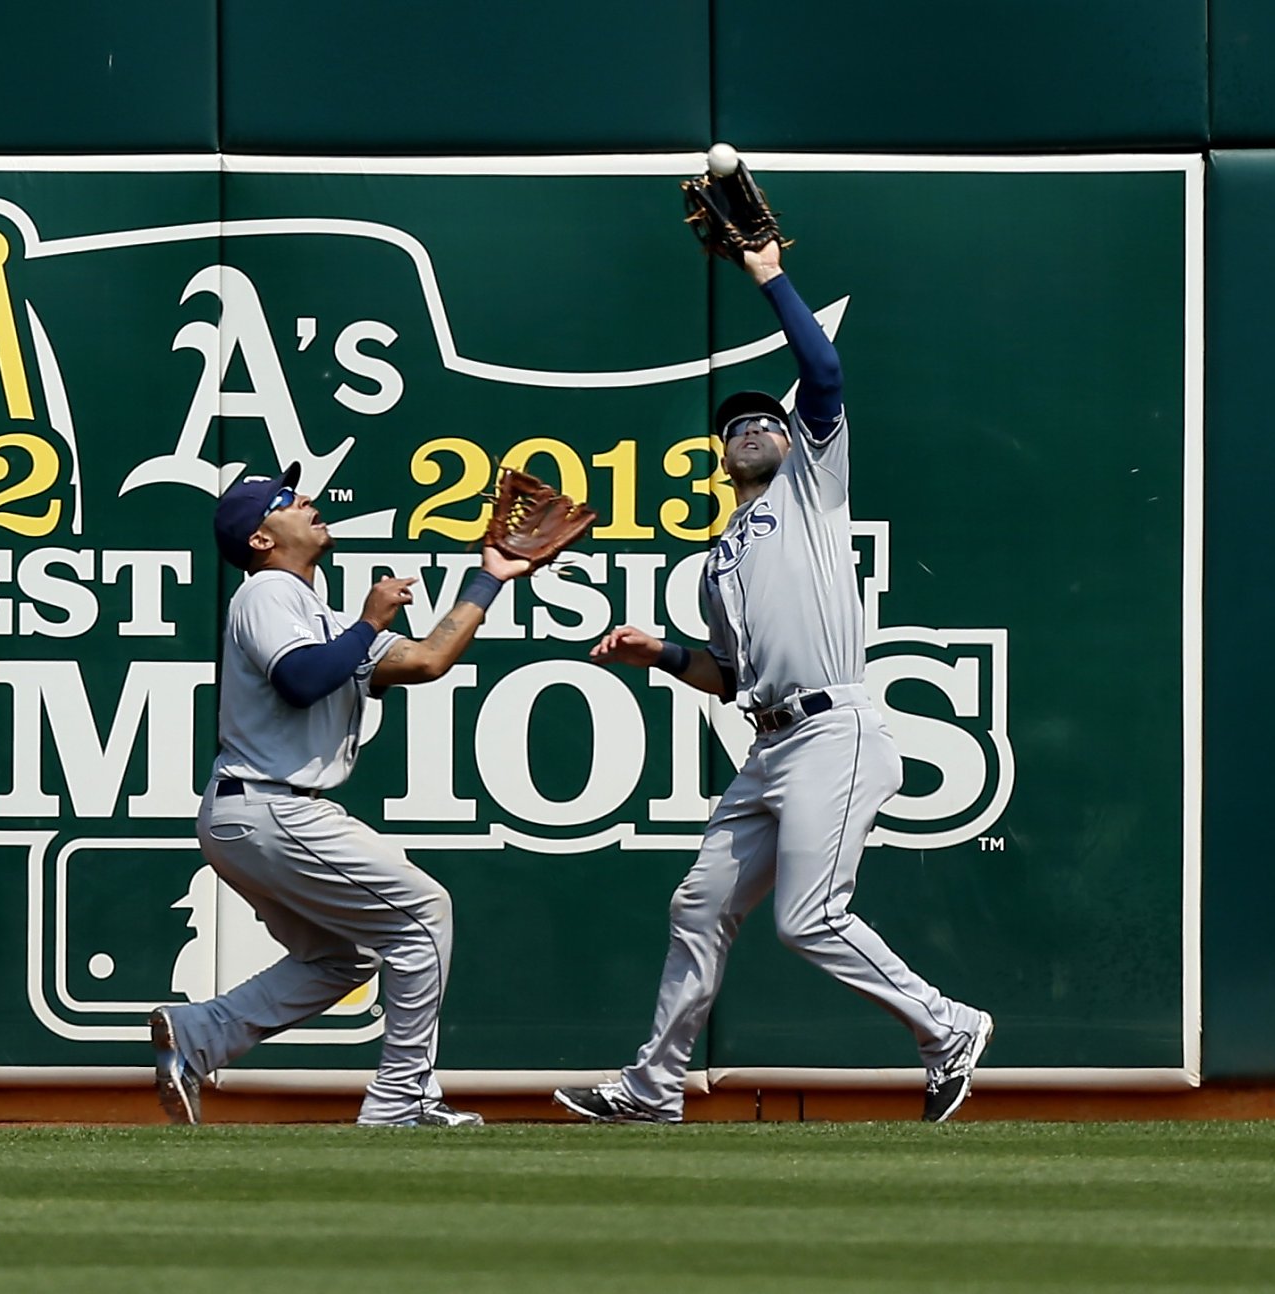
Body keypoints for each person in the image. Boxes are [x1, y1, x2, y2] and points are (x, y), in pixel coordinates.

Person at [554, 238, 993, 1125]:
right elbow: (727, 678)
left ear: (794, 441)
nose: (751, 427)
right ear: (721, 458)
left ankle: (947, 1027)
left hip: (838, 730)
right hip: (769, 743)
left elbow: (823, 369)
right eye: (734, 426)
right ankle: (653, 1088)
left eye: (766, 420)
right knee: (699, 903)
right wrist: (663, 657)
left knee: (808, 918)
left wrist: (767, 275)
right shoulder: (717, 561)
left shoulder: (811, 488)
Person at [151, 463, 535, 1127]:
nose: (306, 500)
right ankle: (401, 1100)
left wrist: (490, 578)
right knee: (423, 916)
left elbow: (425, 661)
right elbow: (301, 679)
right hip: (272, 805)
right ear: (262, 540)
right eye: (284, 499)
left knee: (340, 957)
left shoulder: (314, 610)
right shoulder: (267, 592)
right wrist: (365, 623)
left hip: (258, 812)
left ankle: (202, 1033)